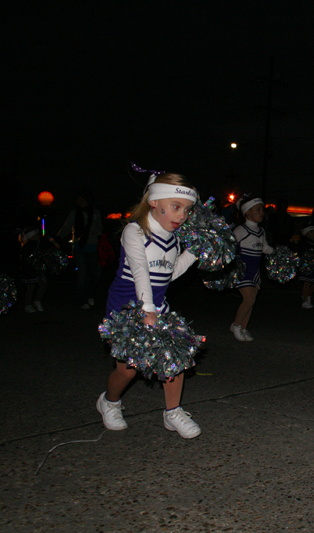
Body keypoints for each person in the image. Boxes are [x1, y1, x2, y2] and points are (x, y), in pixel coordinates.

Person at [96, 172, 202, 439]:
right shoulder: (135, 230)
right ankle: (109, 401)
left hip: (156, 306)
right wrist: (147, 309)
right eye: (176, 207)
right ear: (154, 202)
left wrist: (195, 252)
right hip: (127, 309)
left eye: (187, 210)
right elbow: (140, 270)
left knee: (174, 358)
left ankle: (173, 412)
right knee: (127, 370)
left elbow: (169, 273)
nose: (182, 215)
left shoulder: (173, 238)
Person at [230, 195, 274, 341]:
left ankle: (243, 327)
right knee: (248, 299)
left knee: (252, 300)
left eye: (262, 210)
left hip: (255, 270)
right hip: (243, 269)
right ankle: (236, 325)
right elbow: (229, 245)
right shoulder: (240, 230)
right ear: (247, 212)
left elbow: (265, 248)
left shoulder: (261, 231)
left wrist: (277, 253)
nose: (262, 212)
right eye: (258, 210)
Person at [57, 189, 102, 309]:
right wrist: (58, 237)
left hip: (92, 246)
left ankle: (89, 293)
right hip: (79, 246)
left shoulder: (95, 212)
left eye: (82, 200)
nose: (79, 202)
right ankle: (82, 299)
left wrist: (99, 236)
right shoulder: (75, 212)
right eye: (78, 200)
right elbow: (67, 226)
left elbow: (99, 228)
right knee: (83, 272)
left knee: (94, 272)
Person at [19, 227, 47, 313]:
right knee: (31, 287)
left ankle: (36, 302)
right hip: (31, 270)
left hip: (35, 269)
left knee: (41, 284)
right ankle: (28, 305)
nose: (39, 236)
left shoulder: (31, 245)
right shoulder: (32, 245)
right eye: (37, 235)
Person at [297, 224, 314, 309]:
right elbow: (301, 254)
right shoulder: (303, 243)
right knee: (308, 282)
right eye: (311, 232)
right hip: (307, 266)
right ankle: (306, 299)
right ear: (306, 233)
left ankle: (306, 297)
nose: (313, 234)